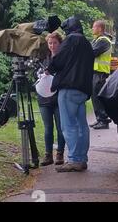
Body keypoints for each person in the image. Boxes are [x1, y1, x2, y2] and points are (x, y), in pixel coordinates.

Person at [47, 16, 94, 172]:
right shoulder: (87, 43)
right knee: (82, 126)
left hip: (68, 88)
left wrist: (51, 65)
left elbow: (58, 62)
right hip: (83, 90)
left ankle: (74, 159)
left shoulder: (70, 40)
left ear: (68, 29)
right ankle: (81, 159)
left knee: (68, 125)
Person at [36, 32, 65, 166]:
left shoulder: (63, 58)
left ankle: (60, 153)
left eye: (55, 43)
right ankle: (48, 155)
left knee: (60, 127)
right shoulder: (43, 59)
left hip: (58, 98)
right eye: (50, 43)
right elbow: (36, 76)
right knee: (48, 128)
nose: (52, 46)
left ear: (60, 43)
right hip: (44, 98)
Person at [89, 20, 112, 130]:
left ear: (100, 29)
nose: (92, 29)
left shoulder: (104, 41)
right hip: (96, 72)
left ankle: (103, 120)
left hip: (100, 73)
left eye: (94, 27)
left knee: (97, 96)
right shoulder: (97, 40)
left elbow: (92, 52)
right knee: (94, 96)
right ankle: (99, 119)